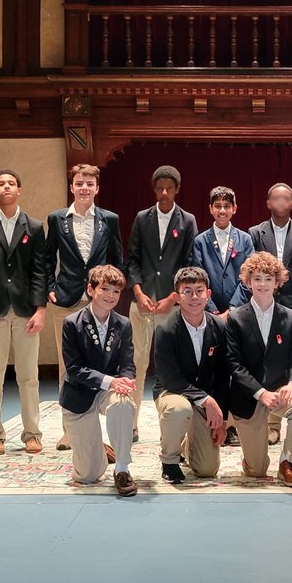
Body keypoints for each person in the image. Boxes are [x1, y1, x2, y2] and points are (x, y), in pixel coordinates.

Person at [0, 169, 49, 456]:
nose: (6, 187)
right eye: (1, 183)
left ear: (19, 190)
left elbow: (41, 271)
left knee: (29, 376)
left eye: (11, 183)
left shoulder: (35, 227)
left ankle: (32, 434)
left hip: (26, 311)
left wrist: (41, 310)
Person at [44, 163, 123, 450]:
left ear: (97, 188)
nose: (84, 188)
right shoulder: (56, 219)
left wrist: (113, 293)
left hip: (100, 302)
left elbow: (117, 258)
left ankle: (102, 429)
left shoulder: (109, 219)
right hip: (66, 300)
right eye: (79, 183)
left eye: (90, 183)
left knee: (101, 365)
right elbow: (46, 258)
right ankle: (69, 430)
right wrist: (49, 289)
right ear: (72, 186)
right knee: (69, 367)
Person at [225, 251, 292, 488]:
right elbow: (234, 364)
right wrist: (260, 393)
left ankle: (288, 463)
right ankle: (250, 454)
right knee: (257, 471)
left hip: (280, 393)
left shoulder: (290, 317)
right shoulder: (236, 318)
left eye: (268, 278)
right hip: (249, 397)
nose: (262, 284)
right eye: (257, 279)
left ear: (277, 282)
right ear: (248, 282)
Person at [126, 165, 198, 440]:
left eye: (169, 188)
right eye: (159, 188)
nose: (164, 193)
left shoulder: (188, 220)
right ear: (154, 190)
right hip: (143, 301)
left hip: (172, 303)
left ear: (177, 189)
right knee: (137, 362)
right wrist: (138, 292)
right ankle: (130, 425)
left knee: (172, 365)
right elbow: (132, 259)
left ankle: (174, 426)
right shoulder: (142, 218)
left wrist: (173, 297)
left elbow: (190, 264)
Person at [59, 264, 140, 497]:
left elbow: (127, 363)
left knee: (124, 403)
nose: (111, 296)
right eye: (105, 288)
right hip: (78, 395)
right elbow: (74, 369)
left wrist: (126, 380)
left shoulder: (123, 324)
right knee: (88, 475)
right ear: (91, 289)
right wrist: (110, 381)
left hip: (108, 391)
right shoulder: (72, 323)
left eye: (116, 291)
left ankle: (122, 469)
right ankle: (100, 449)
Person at [152, 266, 230, 484]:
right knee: (179, 409)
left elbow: (224, 376)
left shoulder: (220, 327)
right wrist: (207, 400)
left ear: (208, 294)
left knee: (207, 470)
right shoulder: (166, 329)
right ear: (177, 297)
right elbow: (170, 378)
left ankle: (187, 445)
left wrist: (221, 417)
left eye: (199, 290)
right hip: (172, 392)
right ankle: (169, 460)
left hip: (204, 398)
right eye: (187, 291)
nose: (194, 297)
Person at [191, 186, 255, 315]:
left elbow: (250, 276)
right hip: (208, 311)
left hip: (239, 310)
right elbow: (198, 279)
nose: (222, 210)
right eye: (218, 206)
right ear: (210, 209)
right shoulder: (200, 241)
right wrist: (212, 309)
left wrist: (232, 309)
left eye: (227, 206)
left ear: (234, 208)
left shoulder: (245, 239)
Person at [248, 182, 292, 312]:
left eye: (286, 199)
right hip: (262, 302)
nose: (281, 202)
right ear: (268, 203)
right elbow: (250, 273)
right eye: (276, 198)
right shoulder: (255, 233)